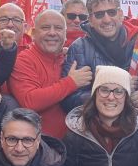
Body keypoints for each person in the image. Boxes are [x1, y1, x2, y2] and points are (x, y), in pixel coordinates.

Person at [9, 9, 93, 138]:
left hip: (75, 141)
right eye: (45, 27)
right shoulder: (24, 60)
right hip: (41, 144)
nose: (52, 33)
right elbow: (30, 101)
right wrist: (71, 83)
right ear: (34, 33)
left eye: (58, 28)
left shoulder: (70, 58)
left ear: (65, 34)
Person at [61, 0, 138, 112]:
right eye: (99, 15)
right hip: (94, 122)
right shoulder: (79, 48)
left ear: (120, 14)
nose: (106, 20)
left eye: (112, 12)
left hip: (131, 121)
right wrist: (110, 89)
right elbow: (67, 101)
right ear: (90, 20)